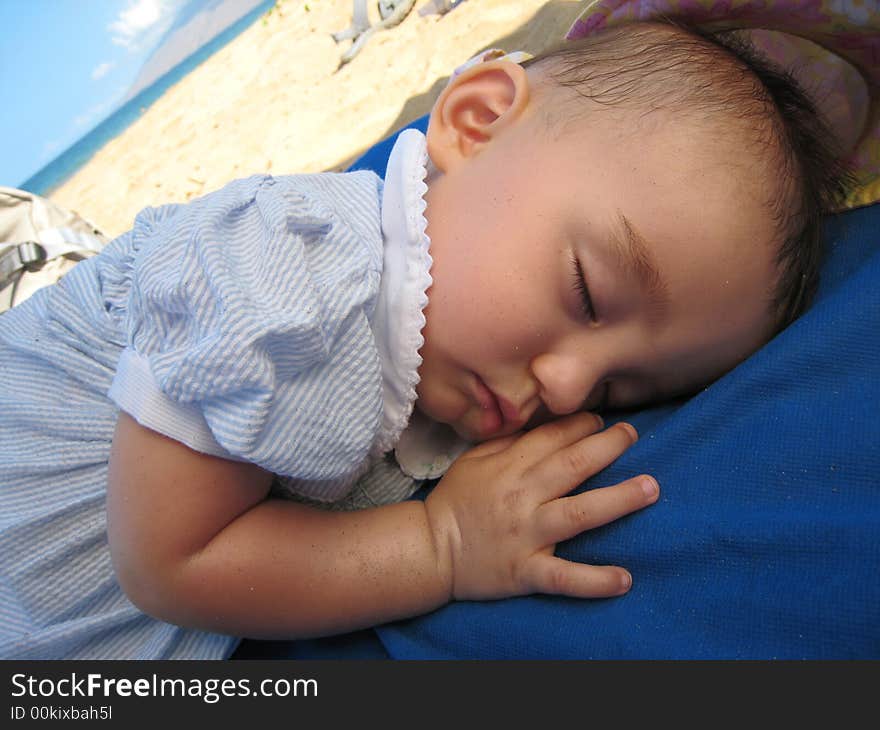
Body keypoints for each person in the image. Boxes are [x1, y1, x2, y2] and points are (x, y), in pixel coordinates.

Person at [0, 21, 850, 659]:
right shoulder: (290, 278)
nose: (566, 388)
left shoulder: (445, 352)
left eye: (618, 391)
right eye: (588, 292)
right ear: (475, 123)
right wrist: (439, 549)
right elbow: (170, 562)